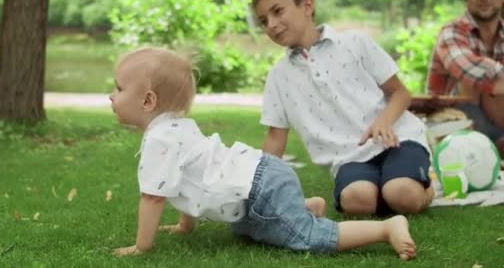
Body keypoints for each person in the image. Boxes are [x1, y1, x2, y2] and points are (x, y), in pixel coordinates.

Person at [110, 47, 417, 260]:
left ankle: (385, 228)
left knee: (307, 238)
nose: (111, 95)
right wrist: (184, 226)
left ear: (148, 100)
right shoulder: (178, 127)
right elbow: (189, 180)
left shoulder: (159, 141)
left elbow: (153, 197)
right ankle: (304, 206)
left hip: (260, 190)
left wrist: (142, 247)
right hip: (261, 177)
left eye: (118, 88)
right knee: (250, 229)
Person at [252, 0, 433, 216]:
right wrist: (257, 185)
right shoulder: (278, 76)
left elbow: (400, 94)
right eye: (264, 21)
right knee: (357, 201)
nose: (271, 25)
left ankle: (427, 186)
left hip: (398, 140)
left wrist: (383, 121)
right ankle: (386, 187)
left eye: (277, 11)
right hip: (348, 159)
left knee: (402, 194)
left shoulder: (355, 42)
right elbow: (275, 138)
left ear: (307, 5)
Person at [426, 0, 504, 159]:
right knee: (475, 85)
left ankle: (494, 151)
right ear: (466, 0)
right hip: (450, 123)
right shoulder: (451, 32)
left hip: (496, 122)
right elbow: (470, 70)